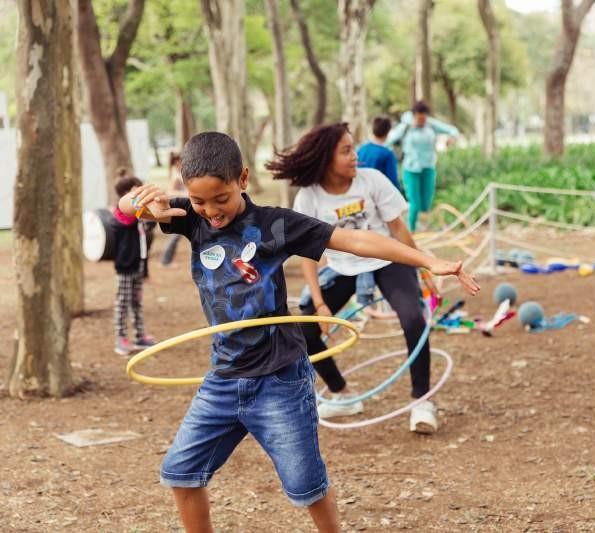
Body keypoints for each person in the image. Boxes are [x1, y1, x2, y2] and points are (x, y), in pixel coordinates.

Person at [120, 131, 479, 533]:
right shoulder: (191, 220)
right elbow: (127, 209)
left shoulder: (275, 224)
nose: (211, 211)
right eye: (199, 200)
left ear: (242, 178)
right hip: (224, 378)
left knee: (306, 487)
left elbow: (356, 239)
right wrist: (136, 202)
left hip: (279, 379)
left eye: (220, 199)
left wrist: (427, 261)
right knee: (180, 474)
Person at [266, 123, 450, 432]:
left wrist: (424, 267)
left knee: (413, 319)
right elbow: (308, 254)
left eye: (354, 148)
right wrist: (321, 304)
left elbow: (399, 231)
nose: (356, 156)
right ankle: (343, 394)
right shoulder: (309, 197)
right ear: (326, 158)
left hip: (386, 260)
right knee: (305, 331)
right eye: (347, 151)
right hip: (342, 267)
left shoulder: (372, 181)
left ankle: (422, 401)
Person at [387, 101, 459, 230]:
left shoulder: (430, 124)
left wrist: (451, 138)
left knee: (425, 204)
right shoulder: (406, 126)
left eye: (424, 118)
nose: (422, 121)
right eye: (419, 118)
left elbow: (453, 130)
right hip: (411, 169)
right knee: (415, 204)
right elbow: (389, 140)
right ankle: (411, 231)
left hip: (428, 168)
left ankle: (419, 225)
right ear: (414, 116)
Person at [111, 171, 156, 356]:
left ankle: (140, 335)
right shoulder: (121, 214)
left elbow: (149, 226)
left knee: (136, 302)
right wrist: (140, 210)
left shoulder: (138, 214)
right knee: (122, 303)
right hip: (125, 266)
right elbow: (127, 222)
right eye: (136, 191)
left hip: (138, 265)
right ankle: (120, 339)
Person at [357, 116, 401, 192]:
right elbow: (392, 180)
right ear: (388, 132)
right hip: (380, 195)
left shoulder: (361, 149)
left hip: (361, 192)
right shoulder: (387, 154)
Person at [160, 152, 186, 266]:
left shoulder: (180, 173)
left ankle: (166, 260)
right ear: (176, 162)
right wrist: (186, 194)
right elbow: (170, 192)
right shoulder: (176, 176)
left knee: (176, 235)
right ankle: (166, 260)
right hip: (178, 206)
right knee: (175, 236)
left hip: (182, 205)